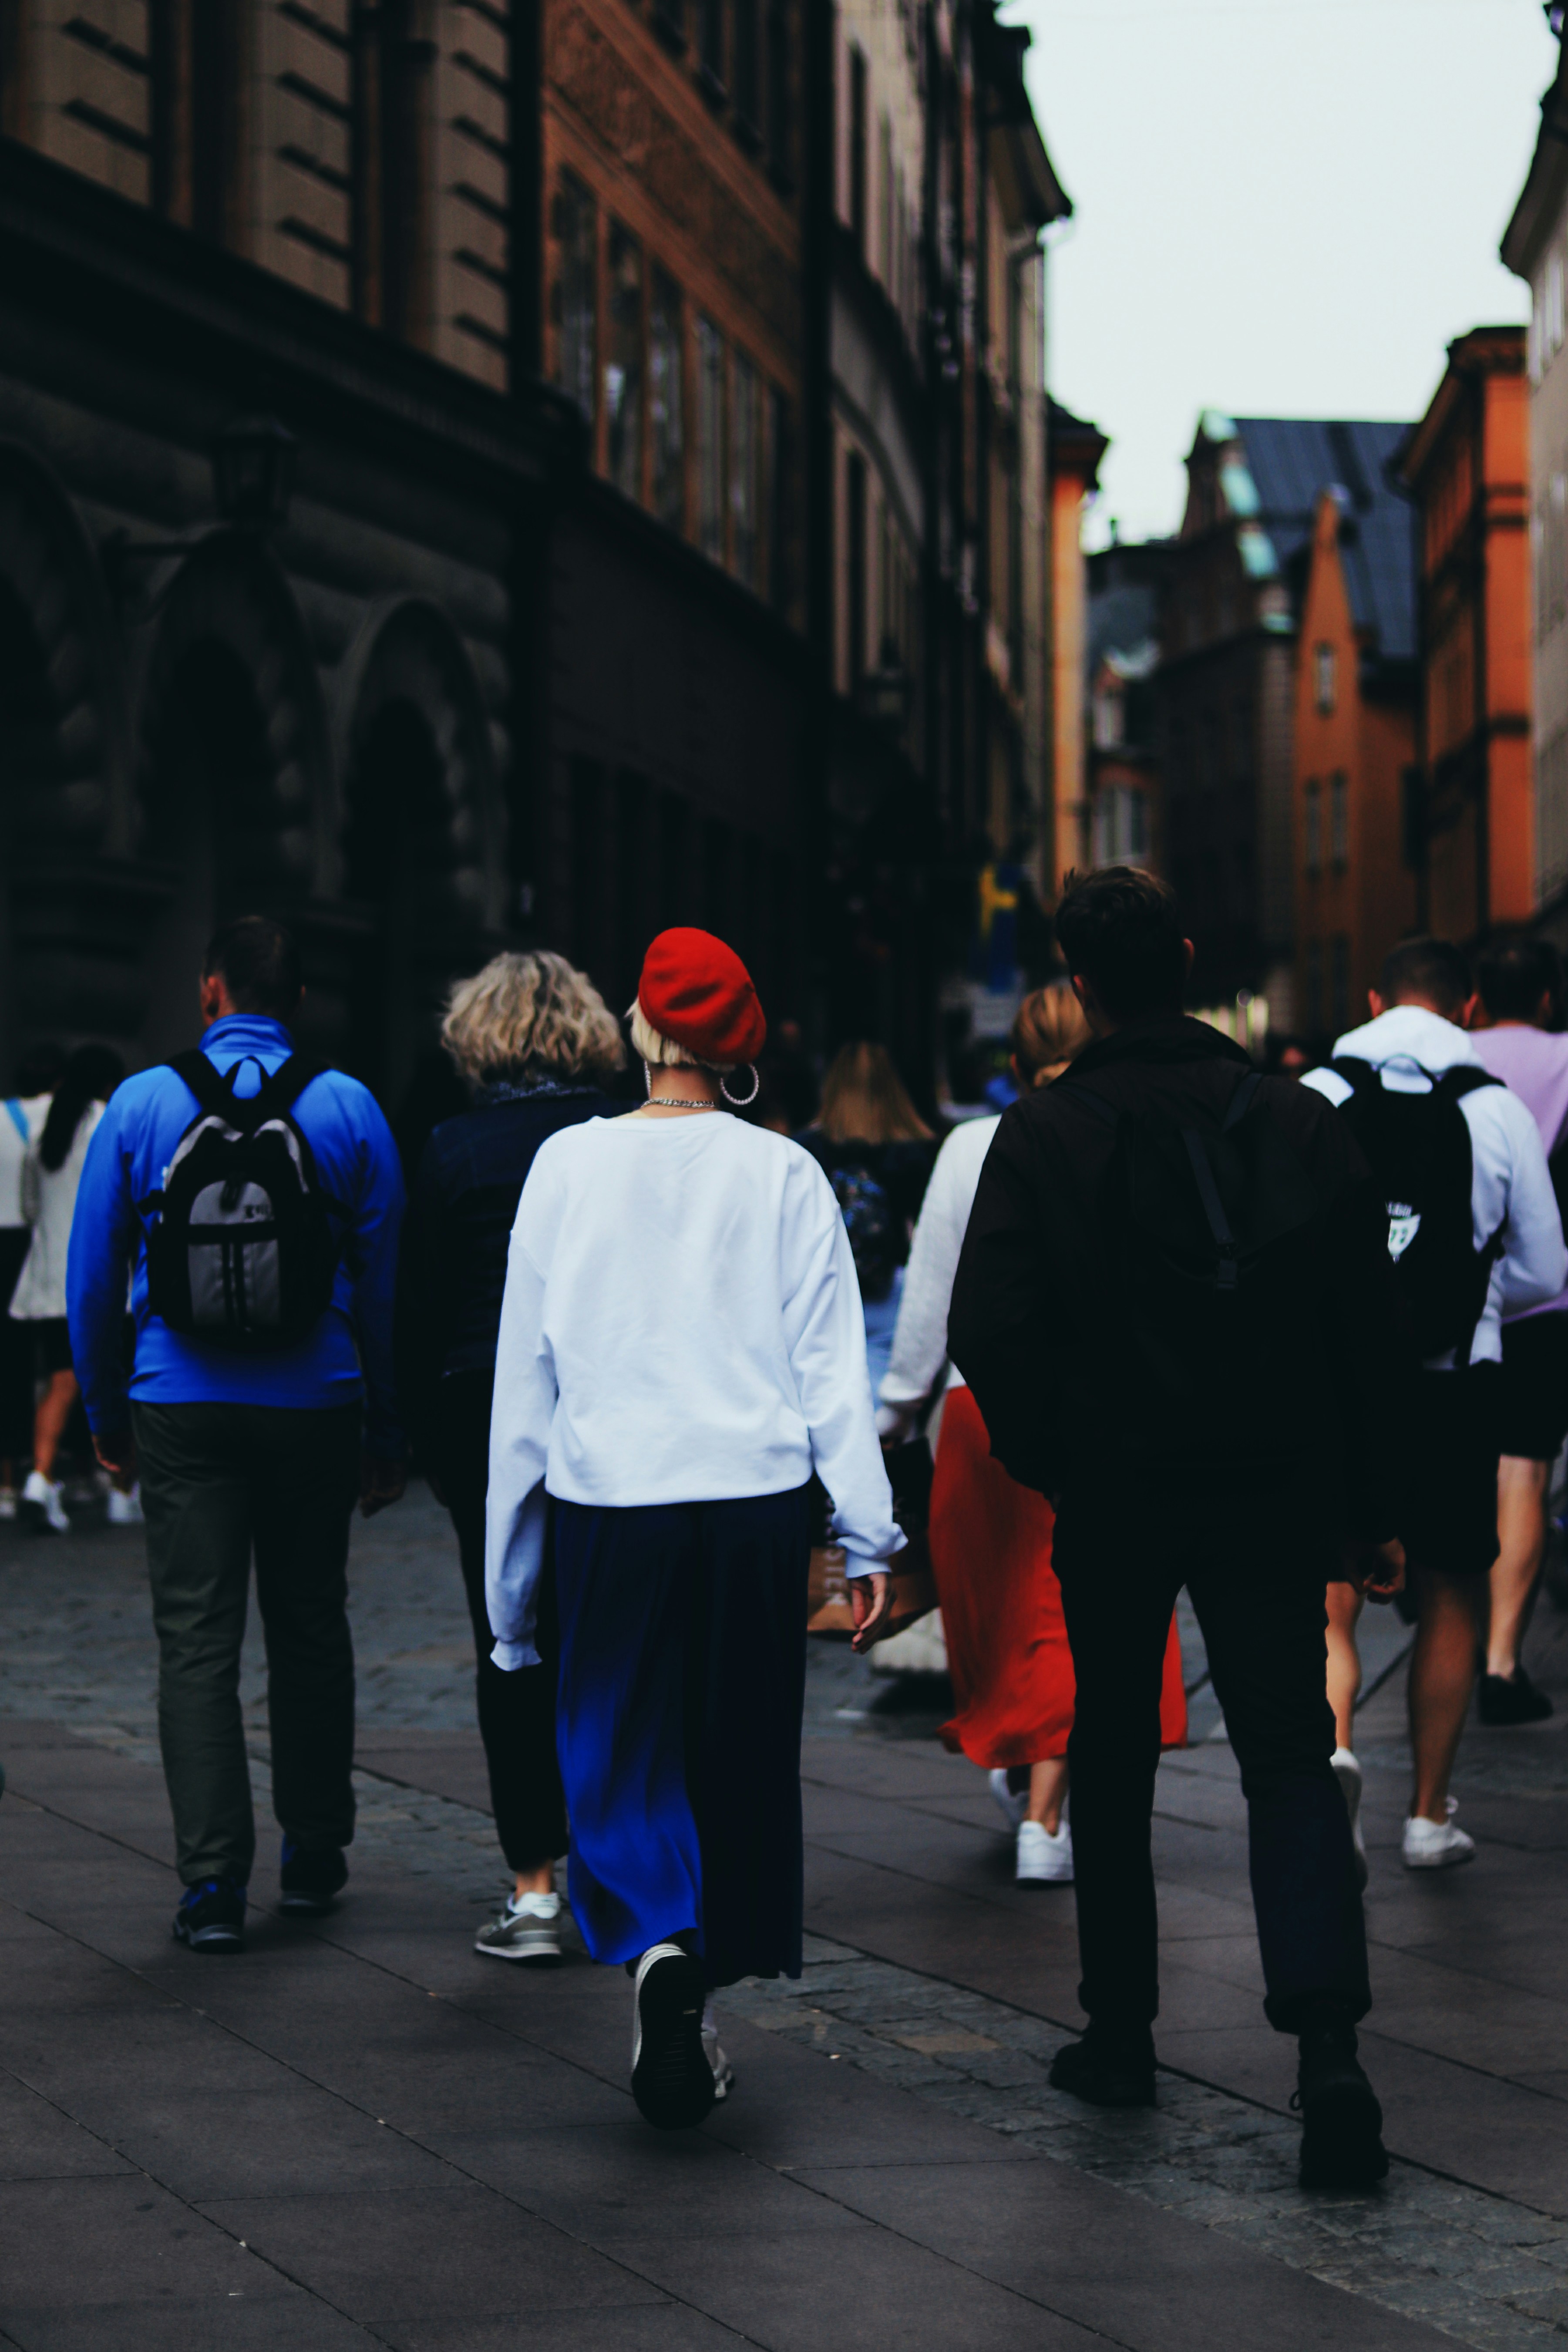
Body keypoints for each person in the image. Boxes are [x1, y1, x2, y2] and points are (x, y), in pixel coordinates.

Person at [950, 865, 1410, 2192]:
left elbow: (993, 1327)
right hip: (1271, 1480)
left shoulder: (1043, 1132)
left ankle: (1121, 2029)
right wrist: (1369, 1506)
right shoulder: (1296, 1119)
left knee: (1110, 1740)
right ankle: (1329, 2051)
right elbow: (1362, 1330)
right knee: (1285, 1748)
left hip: (1119, 1480)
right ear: (1192, 959)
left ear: (1076, 982)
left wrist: (1057, 1453)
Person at [486, 927, 904, 2130]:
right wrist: (870, 1538)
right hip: (753, 1508)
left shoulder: (567, 1166)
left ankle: (656, 1950)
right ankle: (693, 1976)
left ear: (642, 1028)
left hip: (610, 1502)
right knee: (731, 1752)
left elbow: (529, 1384)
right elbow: (834, 1379)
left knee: (615, 1745)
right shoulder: (783, 1176)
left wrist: (510, 1593)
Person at [67, 915, 408, 1954]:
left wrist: (105, 1412)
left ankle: (213, 1879)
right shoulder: (348, 1104)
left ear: (210, 992)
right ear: (295, 1001)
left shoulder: (141, 1101)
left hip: (180, 1401)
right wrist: (385, 1428)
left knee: (196, 1640)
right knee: (310, 1622)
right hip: (316, 1400)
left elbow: (91, 1275)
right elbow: (390, 1284)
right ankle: (313, 1851)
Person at [880, 985, 1188, 1887]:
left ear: (1011, 1063)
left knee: (1014, 1622)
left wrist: (895, 1414)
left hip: (985, 1414)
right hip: (1111, 1407)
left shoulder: (973, 1145)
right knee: (1078, 1610)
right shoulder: (1142, 1137)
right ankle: (1040, 1795)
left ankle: (1041, 1809)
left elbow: (932, 1297)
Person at [1304, 939, 1566, 1867]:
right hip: (1456, 1382)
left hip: (1335, 1383)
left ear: (1373, 998)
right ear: (1466, 1011)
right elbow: (1544, 1268)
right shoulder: (1491, 1108)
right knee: (1453, 1585)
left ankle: (1333, 1745)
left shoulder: (1321, 1094)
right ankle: (1426, 1815)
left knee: (1330, 1587)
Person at [396, 952, 626, 1964]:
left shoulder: (453, 1146)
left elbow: (418, 1299)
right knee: (610, 1637)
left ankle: (533, 1884)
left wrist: (408, 1431)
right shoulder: (622, 1140)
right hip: (607, 1405)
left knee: (509, 1633)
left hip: (484, 1411)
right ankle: (616, 1865)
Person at [1468, 933, 1568, 1722]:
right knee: (1525, 1469)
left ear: (1471, 997)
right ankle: (1502, 1658)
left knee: (1462, 1465)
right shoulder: (1565, 1057)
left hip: (1455, 1296)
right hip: (1544, 1298)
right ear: (1545, 997)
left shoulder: (1451, 1054)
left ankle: (1450, 1625)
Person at [10, 1043, 125, 1534]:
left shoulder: (41, 1132)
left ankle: (40, 1478)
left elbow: (30, 1205)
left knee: (60, 1381)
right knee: (122, 1381)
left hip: (51, 1276)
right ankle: (121, 1491)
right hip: (104, 1278)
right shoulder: (111, 1122)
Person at [797, 1043, 939, 1399]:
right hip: (889, 1293)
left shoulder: (805, 1150)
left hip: (823, 1295)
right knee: (881, 1408)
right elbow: (927, 1233)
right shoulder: (914, 1152)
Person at [0, 1043, 64, 1519]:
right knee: (64, 1360)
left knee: (9, 1363)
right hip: (37, 1242)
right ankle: (67, 1467)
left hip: (2, 1245)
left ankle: (6, 1476)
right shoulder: (62, 1118)